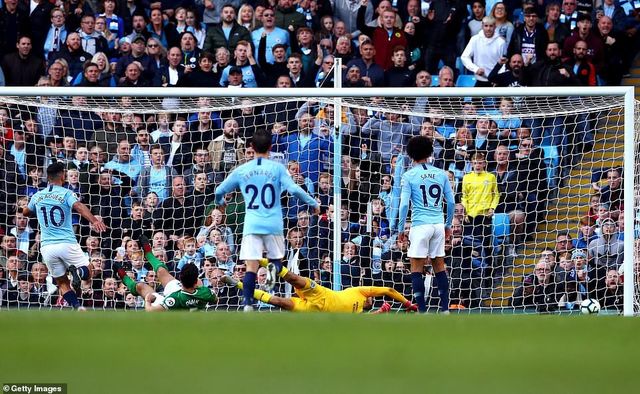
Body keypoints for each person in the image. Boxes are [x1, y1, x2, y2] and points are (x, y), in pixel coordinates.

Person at [214, 128, 320, 312]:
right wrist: (313, 203)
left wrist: (220, 202)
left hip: (252, 223)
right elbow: (294, 190)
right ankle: (270, 283)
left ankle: (248, 304)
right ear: (270, 147)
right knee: (276, 261)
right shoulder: (278, 168)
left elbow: (218, 191)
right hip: (273, 223)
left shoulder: (242, 170)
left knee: (251, 267)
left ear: (251, 147)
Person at [22, 162, 107, 309]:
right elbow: (78, 206)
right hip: (66, 242)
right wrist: (94, 220)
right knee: (89, 271)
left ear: (47, 177)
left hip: (47, 247)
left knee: (62, 282)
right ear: (62, 175)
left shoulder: (37, 196)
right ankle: (79, 272)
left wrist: (29, 209)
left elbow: (25, 212)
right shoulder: (67, 193)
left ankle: (78, 307)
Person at [222, 258, 417, 313]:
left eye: (372, 303)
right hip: (322, 293)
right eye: (372, 299)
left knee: (279, 302)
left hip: (313, 309)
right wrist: (407, 303)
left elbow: (369, 321)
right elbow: (389, 290)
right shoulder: (359, 291)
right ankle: (262, 260)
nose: (371, 299)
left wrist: (382, 312)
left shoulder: (357, 315)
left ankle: (237, 283)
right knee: (293, 278)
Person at [395, 136, 455, 314]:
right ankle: (445, 310)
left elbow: (404, 204)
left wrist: (400, 229)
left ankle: (422, 310)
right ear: (430, 152)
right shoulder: (440, 173)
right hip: (438, 224)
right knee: (439, 266)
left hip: (420, 224)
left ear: (410, 154)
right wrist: (448, 224)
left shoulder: (409, 175)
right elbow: (451, 202)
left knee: (416, 267)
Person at [115, 236, 218, 311]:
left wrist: (147, 300)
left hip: (173, 299)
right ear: (196, 281)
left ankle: (124, 278)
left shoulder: (174, 298)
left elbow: (151, 312)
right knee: (160, 271)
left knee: (141, 286)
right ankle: (149, 254)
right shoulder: (205, 292)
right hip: (181, 290)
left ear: (180, 279)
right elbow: (215, 299)